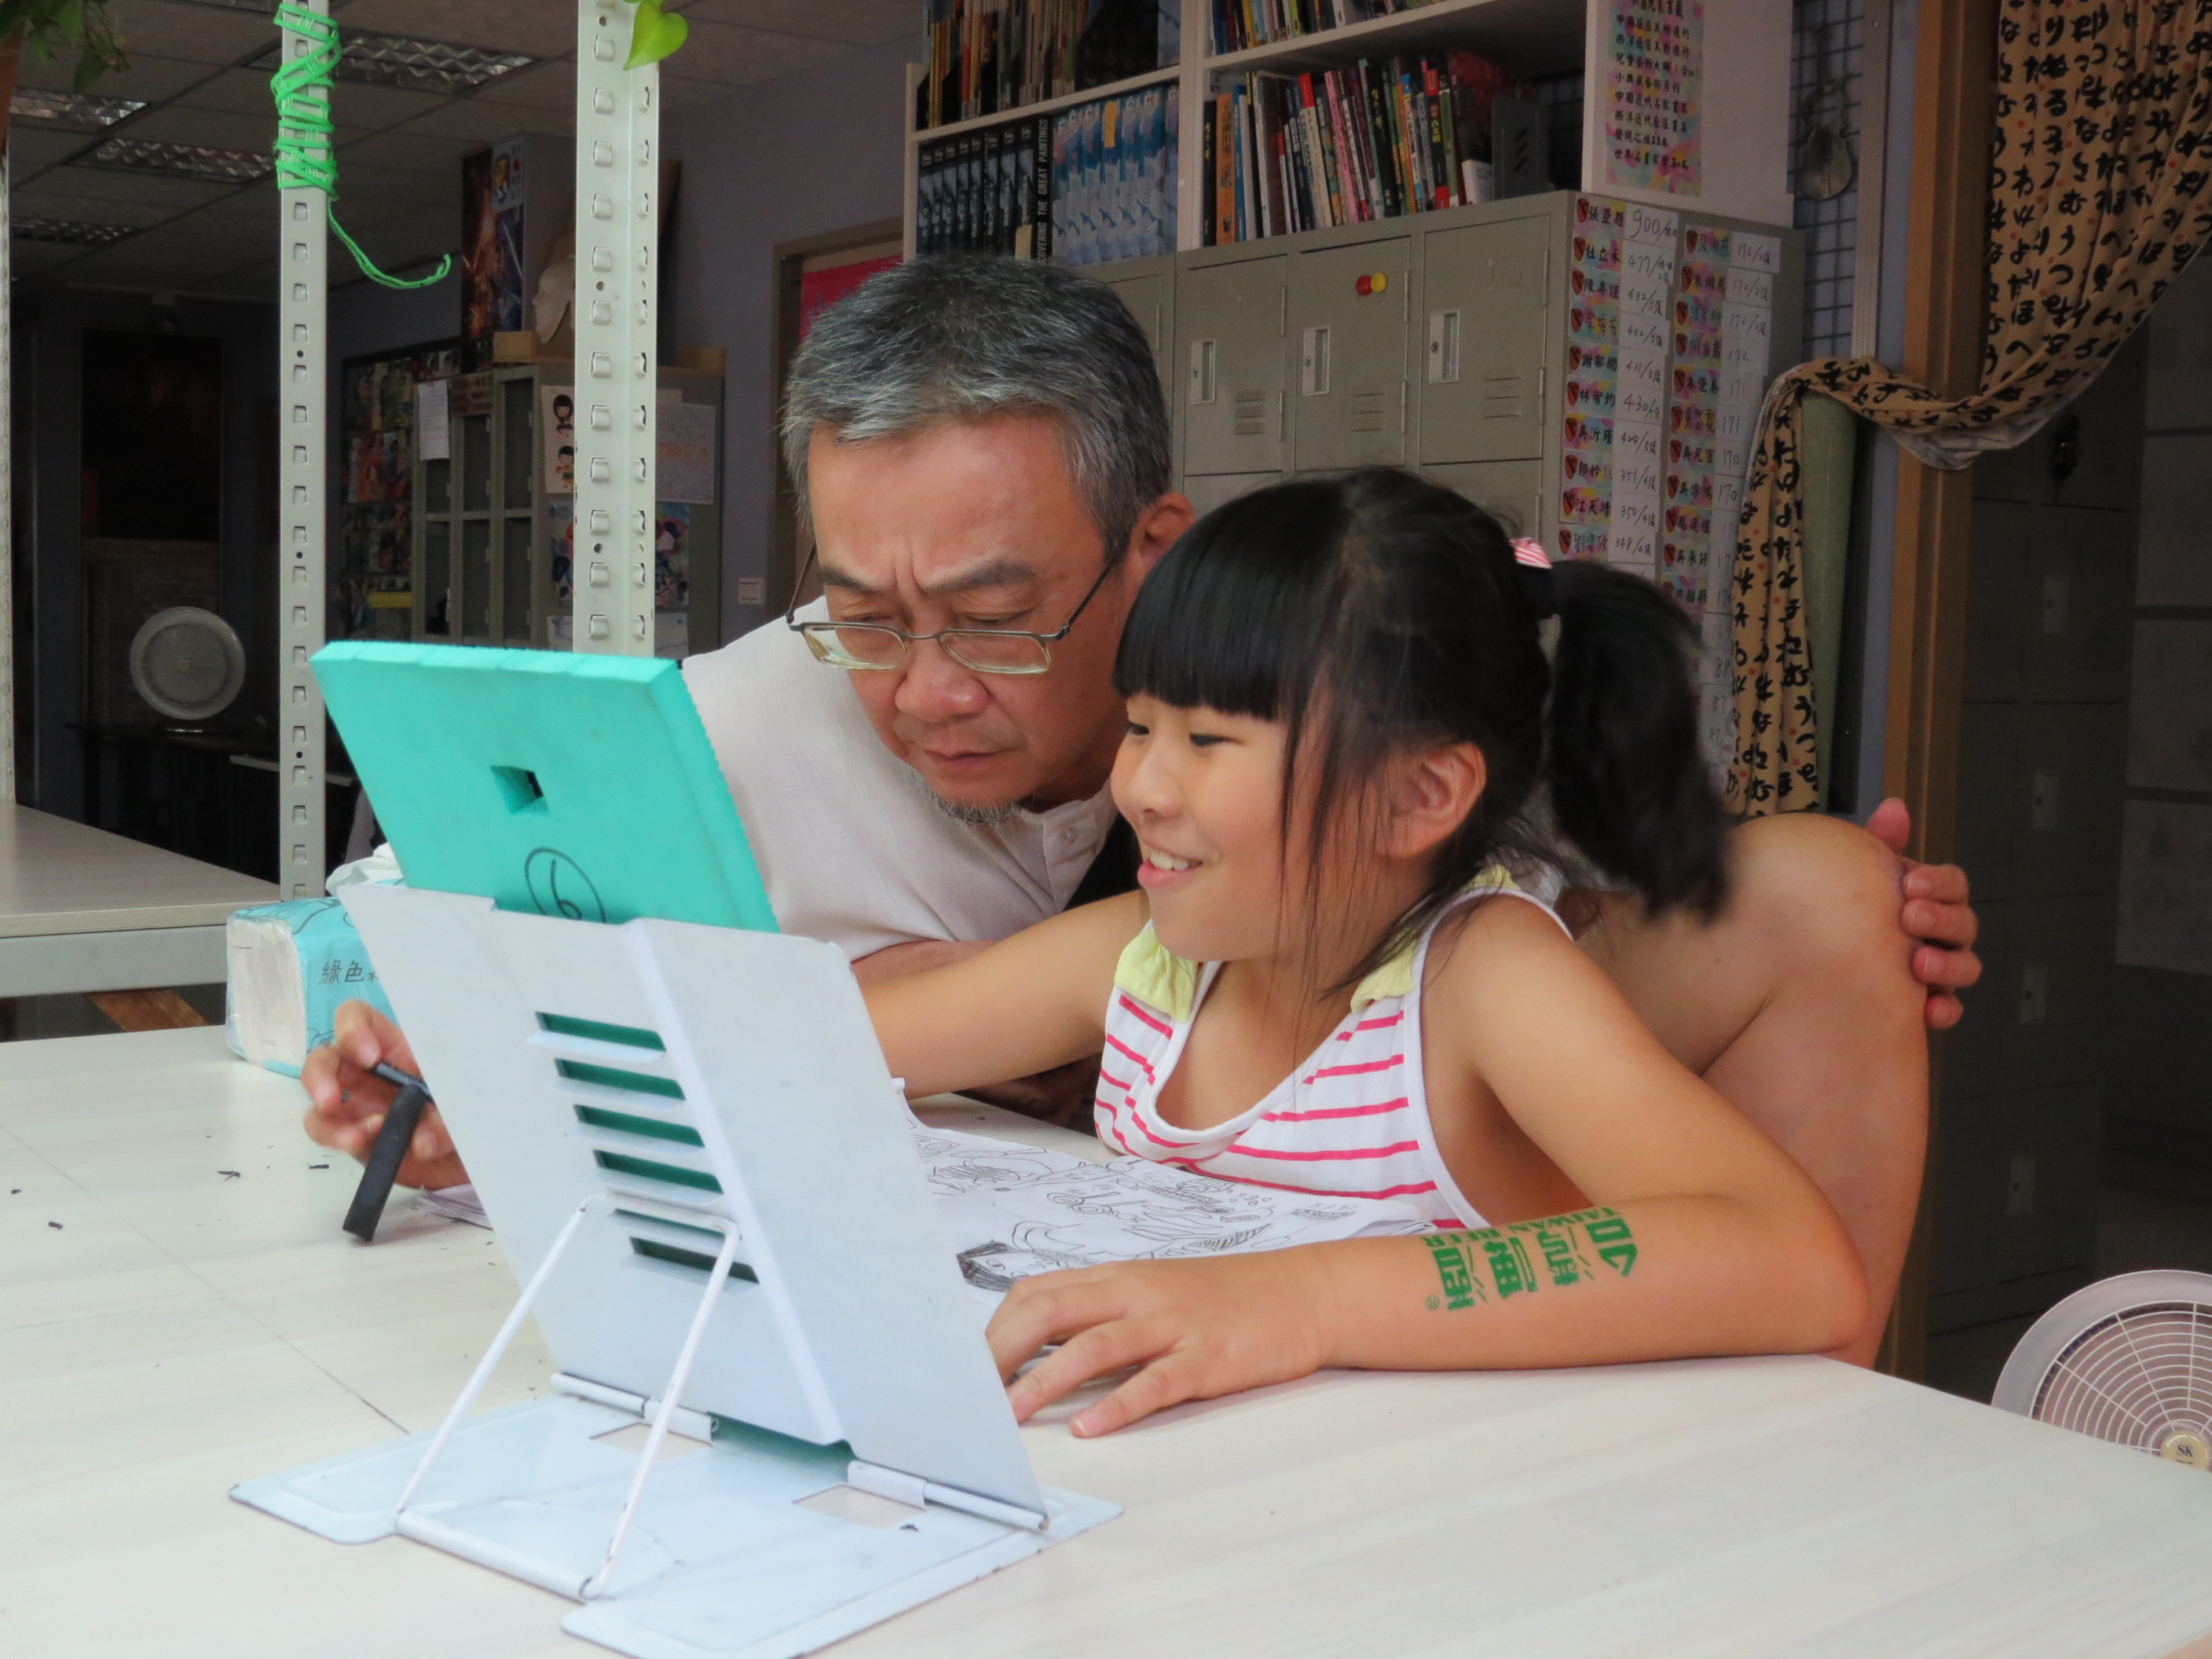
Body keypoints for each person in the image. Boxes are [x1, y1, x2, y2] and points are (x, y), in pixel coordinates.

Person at [303, 258, 1975, 1371]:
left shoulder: (1464, 929)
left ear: (1148, 554)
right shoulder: (1142, 944)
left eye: (995, 617)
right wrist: (493, 1084)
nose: (925, 685)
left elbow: (1771, 1241)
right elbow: (798, 1034)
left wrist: (1303, 1300)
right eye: (866, 618)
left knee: (1826, 888)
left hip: (1450, 1410)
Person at [865, 467, 1878, 1434]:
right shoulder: (1144, 963)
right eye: (1140, 726)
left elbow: (1791, 1260)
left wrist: (1300, 1299)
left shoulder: (1480, 978)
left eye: (1208, 741)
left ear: (1415, 797)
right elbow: (821, 1047)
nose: (1142, 789)